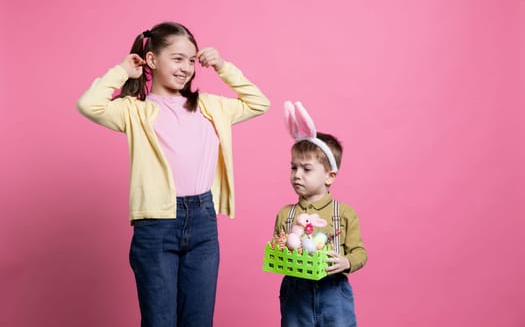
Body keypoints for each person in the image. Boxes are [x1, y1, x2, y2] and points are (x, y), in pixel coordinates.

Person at [77, 21, 270, 327]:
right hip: (155, 225)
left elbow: (259, 102)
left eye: (192, 60)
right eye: (178, 59)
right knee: (159, 320)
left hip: (203, 222)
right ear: (152, 60)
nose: (187, 68)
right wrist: (122, 71)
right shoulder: (134, 111)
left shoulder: (211, 106)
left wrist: (223, 67)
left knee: (198, 320)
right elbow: (89, 104)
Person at [273, 101, 367, 326]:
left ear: (329, 176)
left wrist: (346, 262)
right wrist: (281, 249)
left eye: (306, 169)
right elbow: (280, 246)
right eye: (293, 167)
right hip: (296, 294)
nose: (297, 175)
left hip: (333, 291)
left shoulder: (344, 213)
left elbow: (360, 252)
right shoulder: (286, 214)